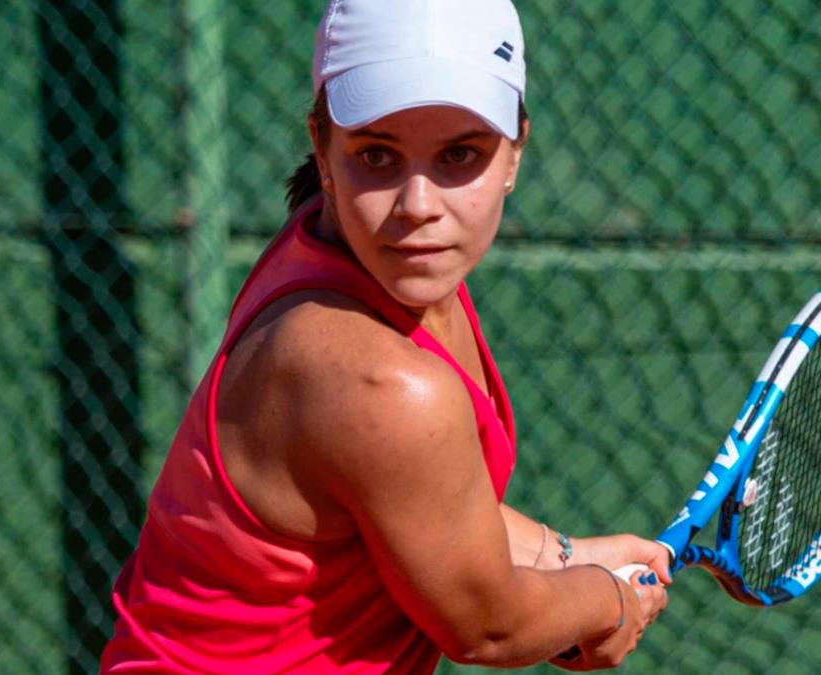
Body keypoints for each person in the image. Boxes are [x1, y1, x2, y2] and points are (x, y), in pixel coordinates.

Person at [102, 0, 670, 672]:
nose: (418, 205)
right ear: (323, 149)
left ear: (515, 150)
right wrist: (606, 602)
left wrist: (567, 556)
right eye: (377, 154)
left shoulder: (353, 252)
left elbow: (429, 505)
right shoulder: (379, 379)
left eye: (461, 154)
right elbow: (490, 627)